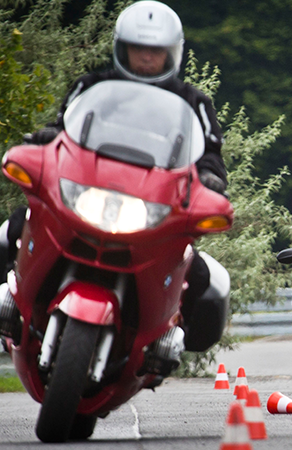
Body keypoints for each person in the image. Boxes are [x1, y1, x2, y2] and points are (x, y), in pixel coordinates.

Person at [3, 1, 228, 353]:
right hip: (86, 192)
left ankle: (168, 340)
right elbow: (63, 129)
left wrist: (211, 179)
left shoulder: (193, 102)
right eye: (139, 48)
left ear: (173, 53)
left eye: (156, 51)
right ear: (122, 48)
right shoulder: (93, 86)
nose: (147, 58)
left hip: (153, 205)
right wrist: (46, 139)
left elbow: (210, 154)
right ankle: (11, 297)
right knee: (17, 225)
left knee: (199, 276)